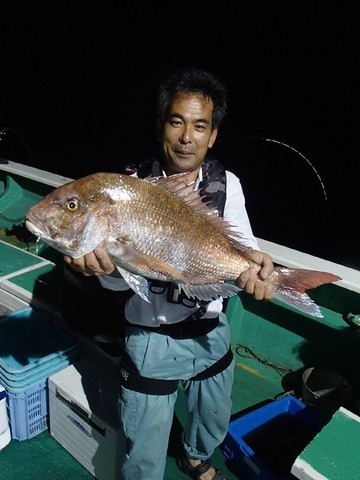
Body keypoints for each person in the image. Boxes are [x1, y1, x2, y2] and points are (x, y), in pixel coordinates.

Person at [64, 67, 275, 480]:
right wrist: (102, 271)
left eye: (200, 126)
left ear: (212, 135)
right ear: (161, 125)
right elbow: (120, 278)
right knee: (142, 453)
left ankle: (196, 457)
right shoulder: (132, 188)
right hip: (151, 340)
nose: (186, 137)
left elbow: (242, 248)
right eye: (176, 121)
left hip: (212, 329)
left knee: (212, 416)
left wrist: (257, 270)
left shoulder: (227, 184)